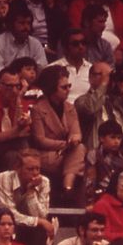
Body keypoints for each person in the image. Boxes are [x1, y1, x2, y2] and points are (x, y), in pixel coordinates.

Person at [30, 64, 85, 197]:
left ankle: (68, 186)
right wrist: (67, 145)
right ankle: (68, 187)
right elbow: (40, 140)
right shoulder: (37, 109)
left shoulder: (70, 107)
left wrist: (74, 139)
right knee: (78, 153)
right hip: (47, 155)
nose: (68, 90)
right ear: (51, 88)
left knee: (80, 147)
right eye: (64, 87)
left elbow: (76, 132)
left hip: (66, 153)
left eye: (69, 86)